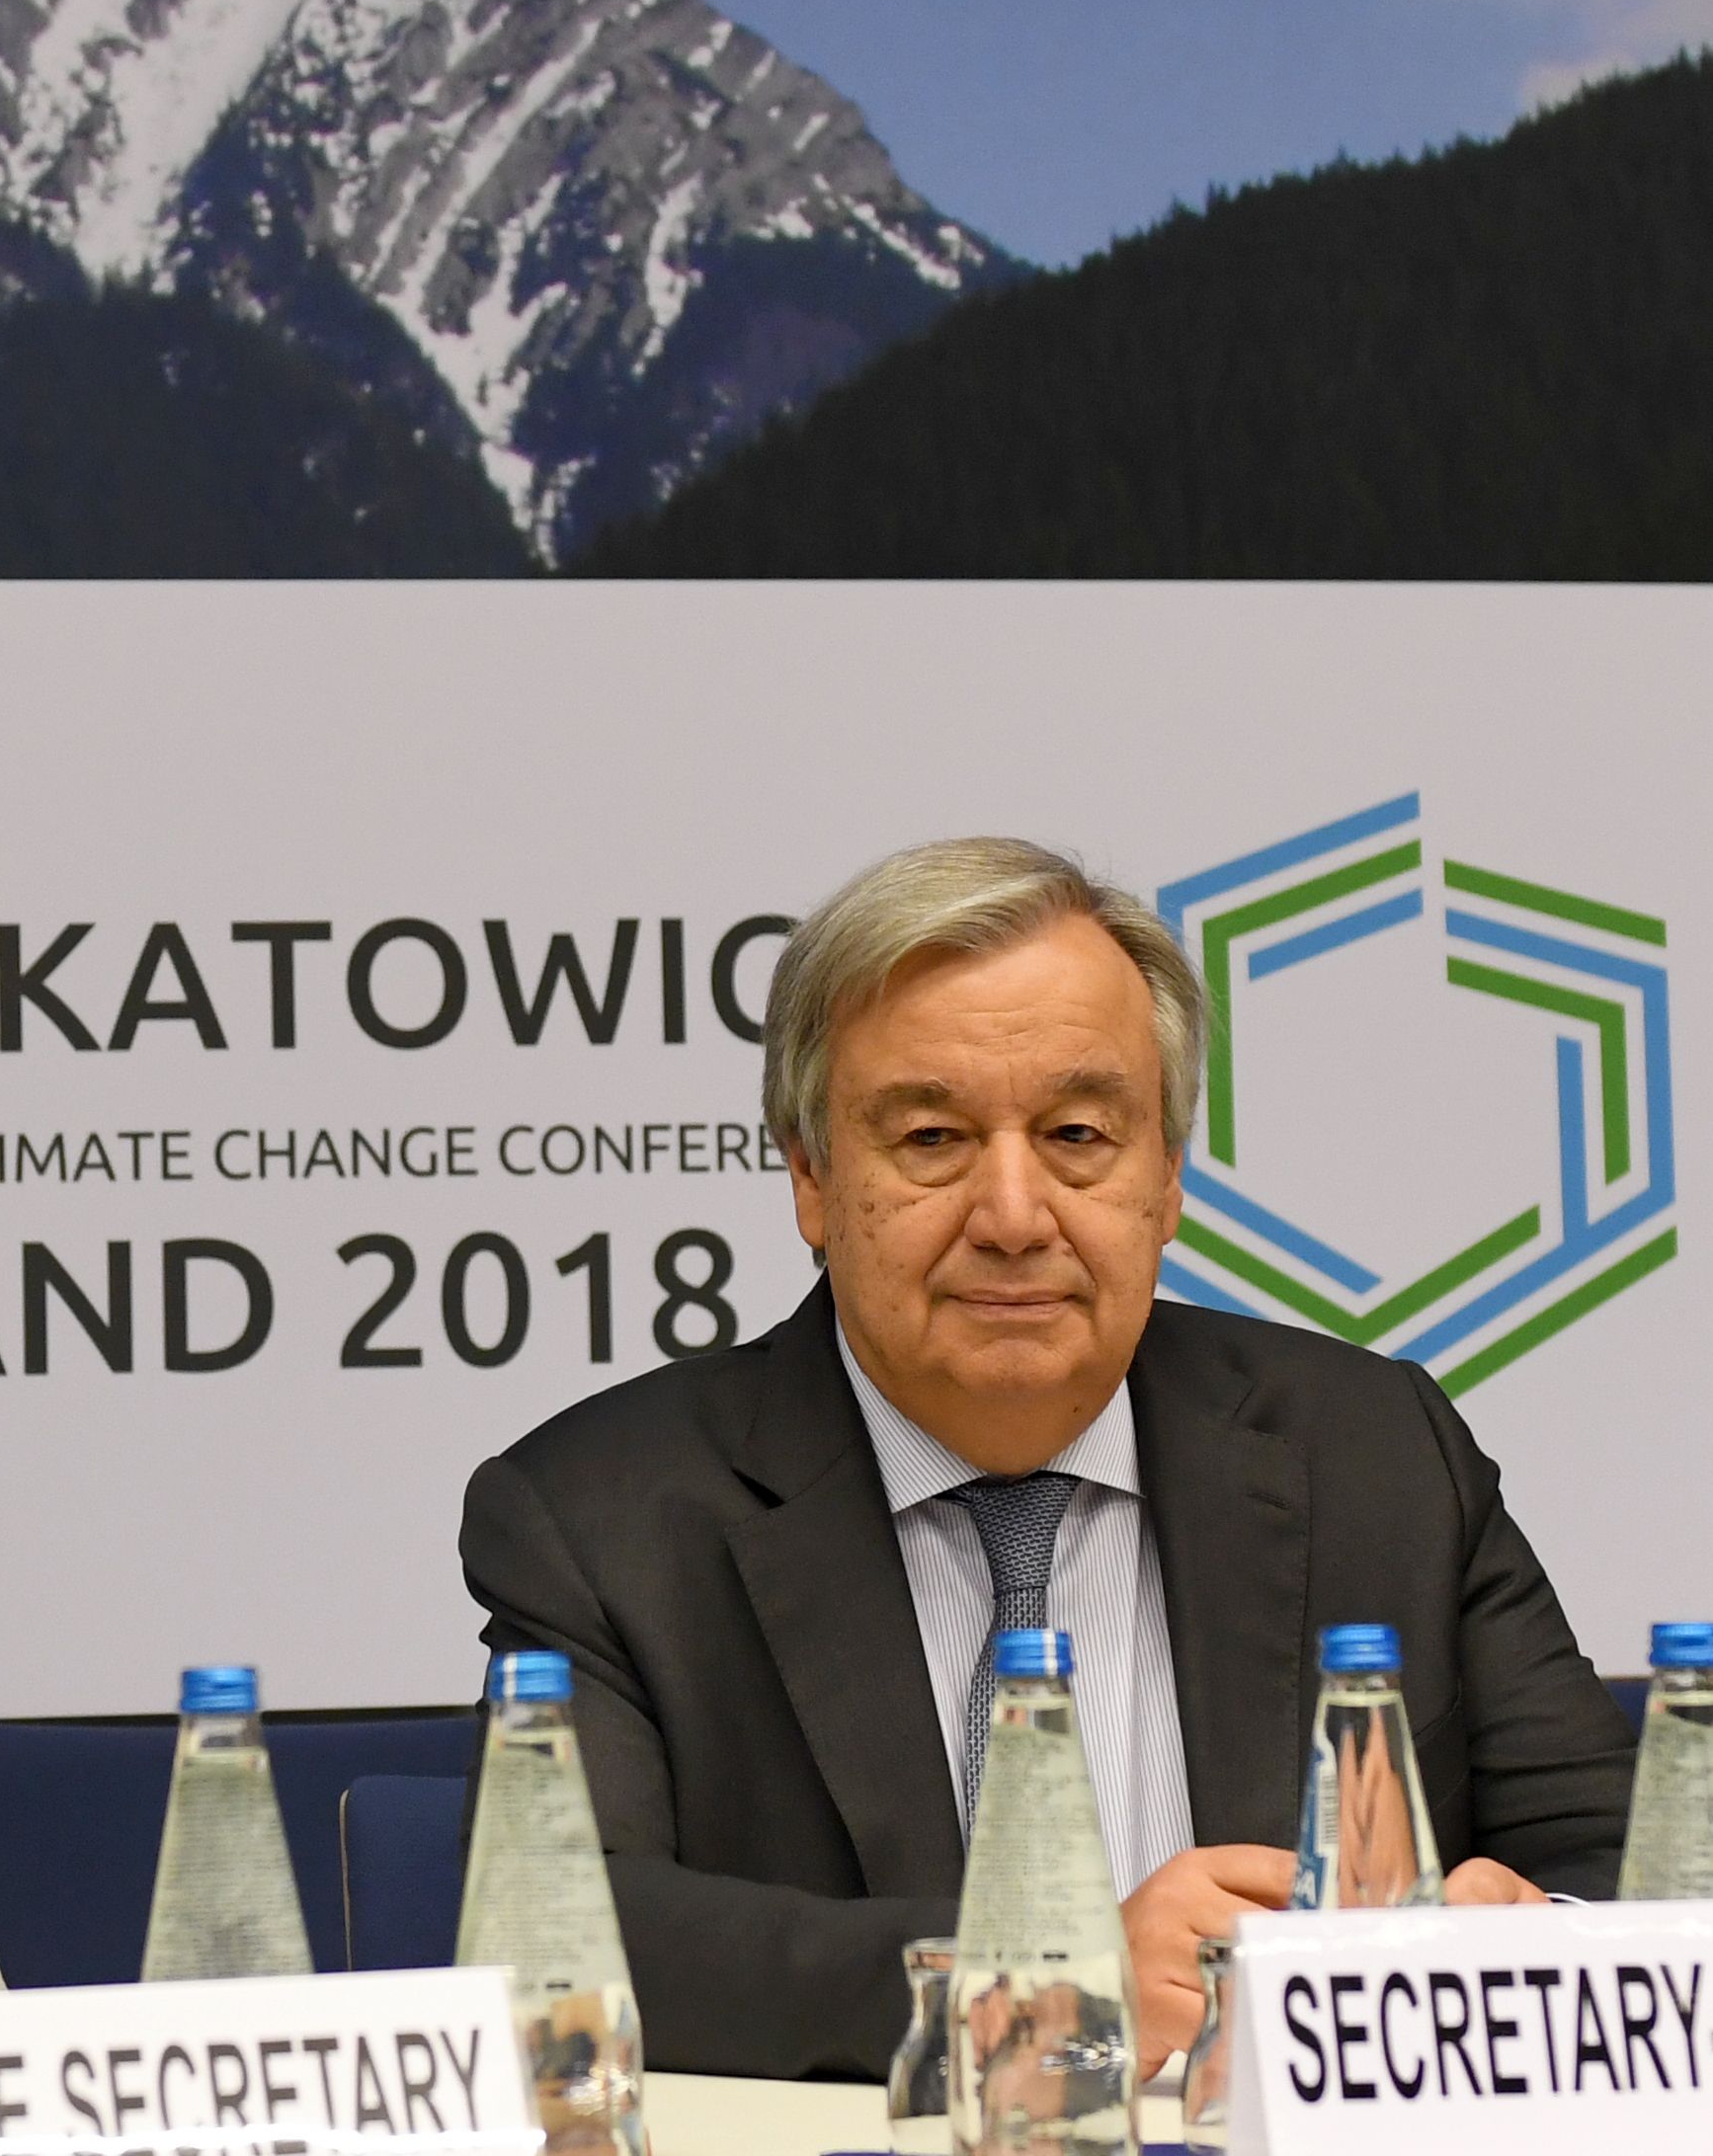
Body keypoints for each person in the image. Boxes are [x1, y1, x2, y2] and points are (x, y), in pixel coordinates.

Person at [459, 837, 1637, 2080]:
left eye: (1079, 1132)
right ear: (811, 1177)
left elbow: (1620, 1862)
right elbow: (565, 1934)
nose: (1014, 1217)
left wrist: (1525, 1941)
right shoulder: (602, 1518)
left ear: (1167, 1178)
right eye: (930, 1138)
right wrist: (1038, 1985)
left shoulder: (1376, 1455)